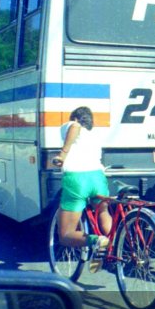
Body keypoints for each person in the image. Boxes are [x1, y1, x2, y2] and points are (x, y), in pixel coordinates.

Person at [53, 106, 112, 272]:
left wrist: (63, 154)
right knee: (102, 212)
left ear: (77, 118)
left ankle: (97, 241)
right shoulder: (94, 135)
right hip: (98, 178)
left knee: (65, 235)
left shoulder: (73, 125)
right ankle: (113, 244)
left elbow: (75, 127)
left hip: (77, 179)